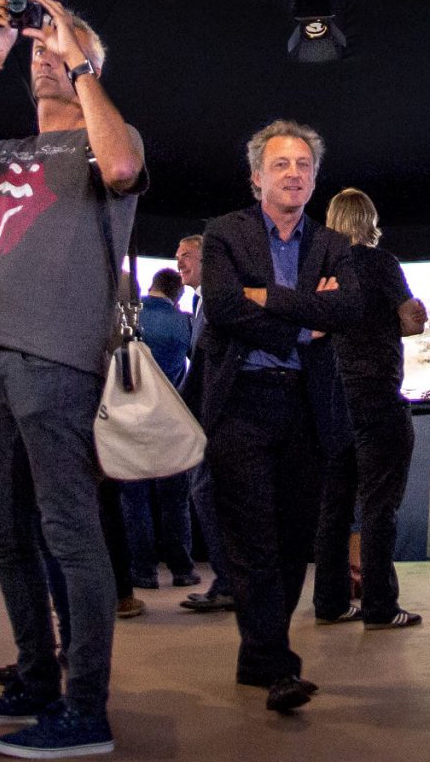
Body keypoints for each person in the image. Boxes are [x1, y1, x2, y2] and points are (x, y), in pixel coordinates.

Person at [0, 0, 146, 759]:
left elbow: (121, 166)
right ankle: (34, 677)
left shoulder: (108, 141)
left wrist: (80, 58)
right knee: (1, 529)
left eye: (63, 46)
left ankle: (86, 708)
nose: (46, 54)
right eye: (38, 48)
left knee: (69, 533)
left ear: (88, 67)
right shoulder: (14, 150)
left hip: (58, 366)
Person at [194, 120, 366, 713]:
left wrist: (265, 297)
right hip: (240, 402)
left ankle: (256, 655)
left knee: (296, 538)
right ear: (256, 177)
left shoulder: (333, 243)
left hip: (308, 406)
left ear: (315, 178)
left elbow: (348, 308)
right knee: (253, 539)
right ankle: (275, 663)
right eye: (281, 165)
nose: (293, 173)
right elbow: (221, 308)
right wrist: (304, 320)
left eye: (303, 165)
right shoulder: (223, 234)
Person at [308, 188, 429, 629]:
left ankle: (330, 602)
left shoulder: (323, 267)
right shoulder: (383, 263)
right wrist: (414, 319)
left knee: (334, 506)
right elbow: (410, 321)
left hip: (334, 399)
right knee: (379, 505)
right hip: (378, 395)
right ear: (371, 220)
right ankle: (380, 606)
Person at [119, 268, 201, 591]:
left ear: (152, 286)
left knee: (134, 497)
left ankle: (143, 571)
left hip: (134, 416)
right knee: (174, 498)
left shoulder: (130, 315)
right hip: (171, 417)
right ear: (177, 294)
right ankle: (182, 569)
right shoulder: (184, 322)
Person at [174, 235, 242, 615]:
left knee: (205, 492)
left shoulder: (214, 302)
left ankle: (230, 581)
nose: (179, 262)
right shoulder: (201, 303)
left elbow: (211, 365)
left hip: (215, 419)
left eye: (186, 255)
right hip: (206, 417)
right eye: (177, 257)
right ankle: (229, 579)